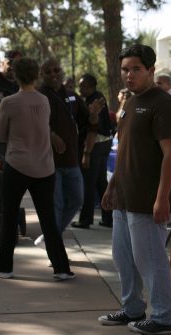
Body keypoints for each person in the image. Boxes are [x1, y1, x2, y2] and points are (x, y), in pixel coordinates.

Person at [99, 44, 171, 335]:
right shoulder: (131, 104)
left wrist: (162, 199)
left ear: (151, 70)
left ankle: (162, 318)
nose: (129, 75)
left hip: (148, 200)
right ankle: (132, 309)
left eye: (136, 69)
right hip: (124, 196)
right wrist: (112, 187)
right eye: (125, 69)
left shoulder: (163, 103)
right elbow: (126, 152)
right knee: (123, 258)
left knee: (150, 260)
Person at [0, 57, 73, 280]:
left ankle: (4, 267)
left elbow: (0, 135)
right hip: (44, 167)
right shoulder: (44, 100)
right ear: (36, 75)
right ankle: (61, 268)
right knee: (48, 219)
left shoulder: (10, 102)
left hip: (17, 165)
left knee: (9, 217)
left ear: (16, 76)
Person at [38, 59, 101, 237]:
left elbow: (90, 124)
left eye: (56, 70)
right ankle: (54, 245)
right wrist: (50, 135)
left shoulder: (72, 96)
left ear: (62, 72)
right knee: (55, 205)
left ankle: (52, 236)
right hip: (49, 162)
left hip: (71, 160)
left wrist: (94, 114)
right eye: (48, 71)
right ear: (41, 75)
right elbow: (32, 124)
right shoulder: (37, 96)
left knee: (76, 200)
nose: (53, 74)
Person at [72, 73, 113, 229]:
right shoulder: (97, 97)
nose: (80, 88)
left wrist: (86, 153)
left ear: (91, 86)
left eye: (82, 86)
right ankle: (108, 218)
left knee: (88, 183)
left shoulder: (94, 101)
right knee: (100, 182)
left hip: (95, 145)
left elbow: (93, 130)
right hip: (104, 144)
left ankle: (85, 219)